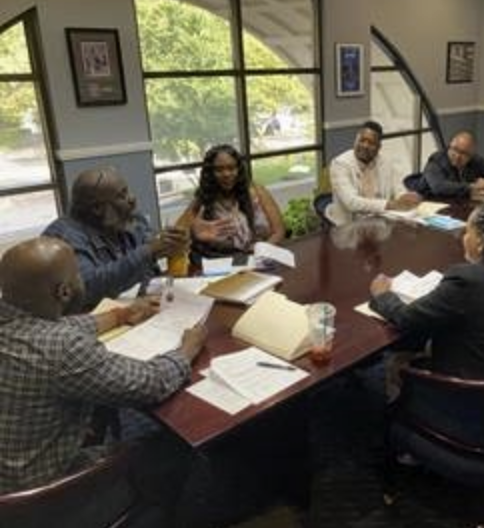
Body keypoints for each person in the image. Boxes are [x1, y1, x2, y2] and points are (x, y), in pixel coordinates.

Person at [0, 237, 206, 494]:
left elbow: (50, 326)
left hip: (9, 467)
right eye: (77, 274)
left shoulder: (17, 318)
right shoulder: (64, 347)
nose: (81, 280)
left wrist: (120, 315)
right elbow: (149, 383)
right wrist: (186, 351)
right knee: (168, 445)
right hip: (38, 492)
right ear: (64, 291)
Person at [369, 197, 484, 380]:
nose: (463, 237)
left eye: (468, 231)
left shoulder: (468, 281)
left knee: (384, 365)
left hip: (470, 398)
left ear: (481, 241)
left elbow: (406, 319)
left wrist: (384, 295)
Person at [43, 167, 190, 310]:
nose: (132, 199)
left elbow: (151, 269)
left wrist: (172, 245)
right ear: (97, 208)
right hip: (92, 322)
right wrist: (149, 251)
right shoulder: (62, 239)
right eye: (122, 195)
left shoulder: (130, 218)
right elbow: (87, 288)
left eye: (127, 191)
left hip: (136, 309)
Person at [176, 144, 285, 263]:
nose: (226, 174)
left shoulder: (258, 192)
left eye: (231, 168)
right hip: (221, 265)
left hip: (260, 260)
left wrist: (261, 250)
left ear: (239, 169)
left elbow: (278, 231)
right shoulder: (203, 201)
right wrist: (193, 232)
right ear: (210, 173)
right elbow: (176, 235)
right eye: (219, 169)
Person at [326, 120, 421, 226]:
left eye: (371, 143)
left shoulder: (386, 162)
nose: (365, 146)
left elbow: (398, 188)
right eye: (362, 140)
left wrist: (406, 198)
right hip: (349, 229)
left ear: (379, 147)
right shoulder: (340, 164)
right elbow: (351, 203)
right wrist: (391, 204)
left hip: (381, 225)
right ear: (355, 140)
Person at [416, 130, 484, 198]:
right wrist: (473, 186)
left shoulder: (474, 160)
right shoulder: (436, 160)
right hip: (431, 204)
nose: (457, 156)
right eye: (455, 149)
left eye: (464, 153)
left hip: (459, 203)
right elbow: (440, 187)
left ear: (471, 154)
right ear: (449, 146)